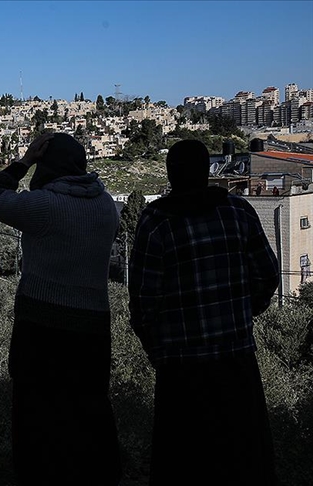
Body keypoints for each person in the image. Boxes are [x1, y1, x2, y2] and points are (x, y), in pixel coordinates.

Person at [128, 140, 280, 486]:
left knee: (184, 462)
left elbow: (142, 300)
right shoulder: (239, 211)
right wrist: (244, 313)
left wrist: (157, 351)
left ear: (169, 172)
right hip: (235, 358)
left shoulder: (156, 222)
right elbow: (267, 275)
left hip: (181, 368)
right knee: (244, 458)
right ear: (207, 171)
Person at [0, 132, 121, 485]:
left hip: (41, 323)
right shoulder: (106, 207)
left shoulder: (43, 206)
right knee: (89, 406)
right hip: (93, 324)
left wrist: (23, 161)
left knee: (35, 407)